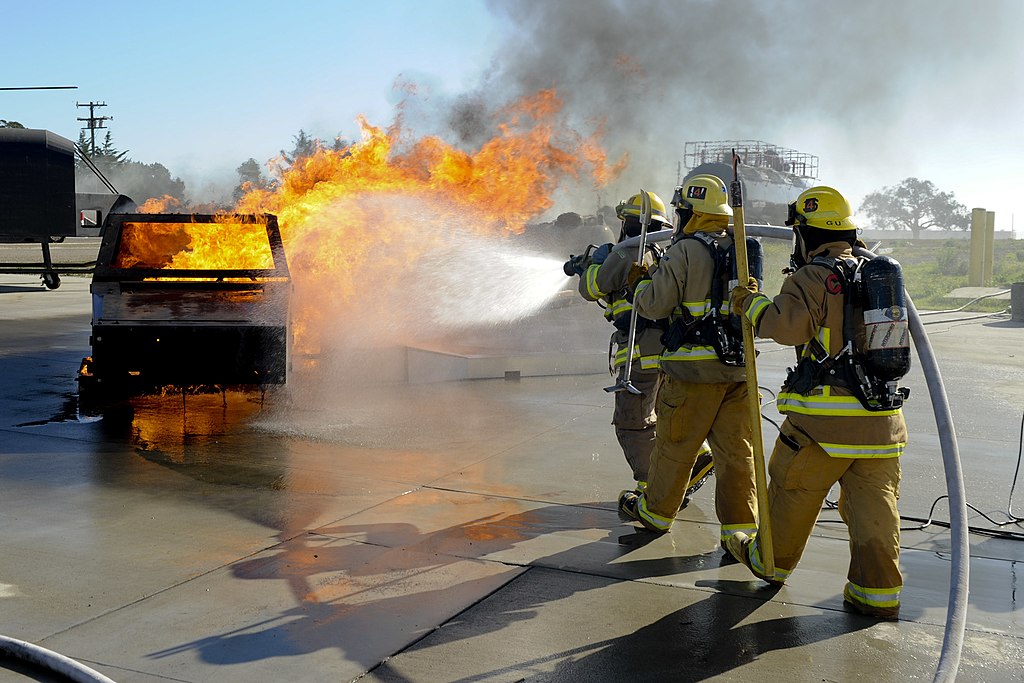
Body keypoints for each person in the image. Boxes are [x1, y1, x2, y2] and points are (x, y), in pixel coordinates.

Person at [726, 185, 909, 620]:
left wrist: (750, 303)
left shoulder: (812, 275)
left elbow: (787, 327)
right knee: (875, 508)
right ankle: (876, 593)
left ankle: (770, 561)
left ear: (805, 233)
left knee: (791, 492)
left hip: (823, 425)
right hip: (882, 425)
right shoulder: (877, 271)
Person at [616, 175, 758, 548]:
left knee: (674, 446)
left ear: (691, 212)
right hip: (740, 372)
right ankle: (739, 531)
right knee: (736, 455)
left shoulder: (684, 251)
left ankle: (656, 513)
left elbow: (653, 305)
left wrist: (640, 283)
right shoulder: (742, 249)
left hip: (692, 371)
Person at [573, 191, 714, 503]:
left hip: (640, 353)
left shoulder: (626, 254)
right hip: (664, 353)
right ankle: (699, 458)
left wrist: (591, 266)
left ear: (630, 223)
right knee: (662, 417)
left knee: (632, 421)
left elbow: (591, 287)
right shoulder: (661, 254)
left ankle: (653, 488)